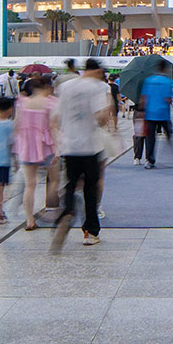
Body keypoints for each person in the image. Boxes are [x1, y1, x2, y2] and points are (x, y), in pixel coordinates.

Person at [52, 59, 113, 249]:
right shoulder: (96, 88)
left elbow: (56, 117)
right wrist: (108, 107)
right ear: (95, 71)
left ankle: (68, 211)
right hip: (90, 146)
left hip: (70, 146)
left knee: (70, 184)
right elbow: (100, 119)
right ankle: (90, 232)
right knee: (90, 190)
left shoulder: (66, 86)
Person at [14, 75, 59, 230]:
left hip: (27, 146)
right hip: (46, 145)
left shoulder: (22, 102)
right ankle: (53, 209)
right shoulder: (49, 103)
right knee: (54, 180)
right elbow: (53, 126)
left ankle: (29, 220)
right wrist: (59, 148)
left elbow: (17, 125)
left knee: (30, 185)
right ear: (45, 88)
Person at [139, 61, 173, 168]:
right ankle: (172, 156)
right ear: (165, 69)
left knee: (150, 137)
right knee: (169, 133)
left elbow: (143, 98)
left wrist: (142, 112)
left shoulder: (148, 81)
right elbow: (168, 98)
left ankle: (150, 160)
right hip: (163, 113)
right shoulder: (169, 82)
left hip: (150, 113)